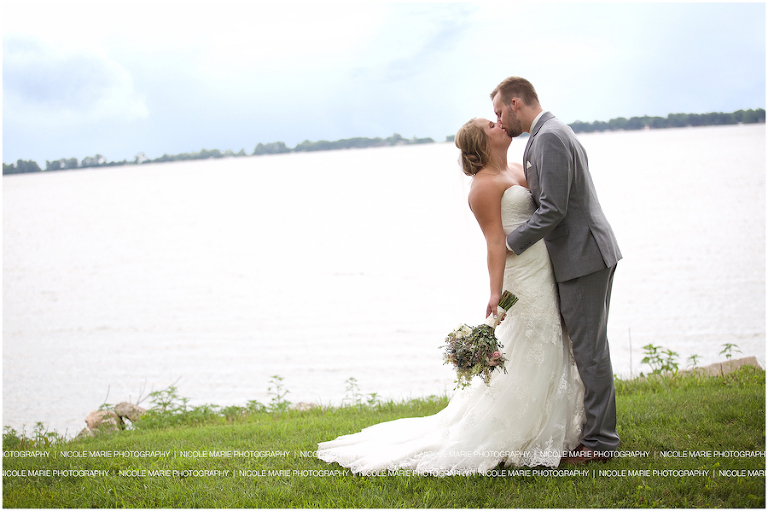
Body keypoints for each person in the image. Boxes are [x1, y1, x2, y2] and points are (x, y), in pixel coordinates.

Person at [316, 117, 585, 475]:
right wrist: (495, 292)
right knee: (532, 338)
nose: (500, 123)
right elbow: (494, 241)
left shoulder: (519, 167)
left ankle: (555, 423)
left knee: (553, 338)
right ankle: (513, 429)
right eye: (491, 125)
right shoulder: (482, 187)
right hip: (521, 276)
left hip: (544, 267)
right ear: (483, 141)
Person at [490, 76, 622, 464]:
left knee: (589, 351)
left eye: (499, 112)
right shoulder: (548, 133)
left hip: (583, 256)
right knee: (588, 348)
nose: (499, 121)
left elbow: (553, 209)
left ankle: (600, 444)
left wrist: (509, 244)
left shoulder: (548, 137)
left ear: (515, 103)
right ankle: (593, 433)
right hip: (584, 254)